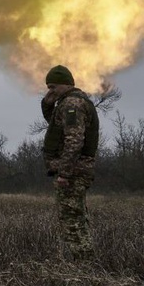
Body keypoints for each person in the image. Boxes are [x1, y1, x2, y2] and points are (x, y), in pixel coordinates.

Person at [41, 65, 99, 261]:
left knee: (71, 220)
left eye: (52, 87)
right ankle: (86, 262)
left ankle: (85, 267)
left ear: (65, 85)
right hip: (77, 171)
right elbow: (56, 125)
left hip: (73, 173)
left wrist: (65, 173)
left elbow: (74, 140)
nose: (50, 91)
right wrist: (47, 104)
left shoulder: (71, 104)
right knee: (77, 218)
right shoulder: (70, 102)